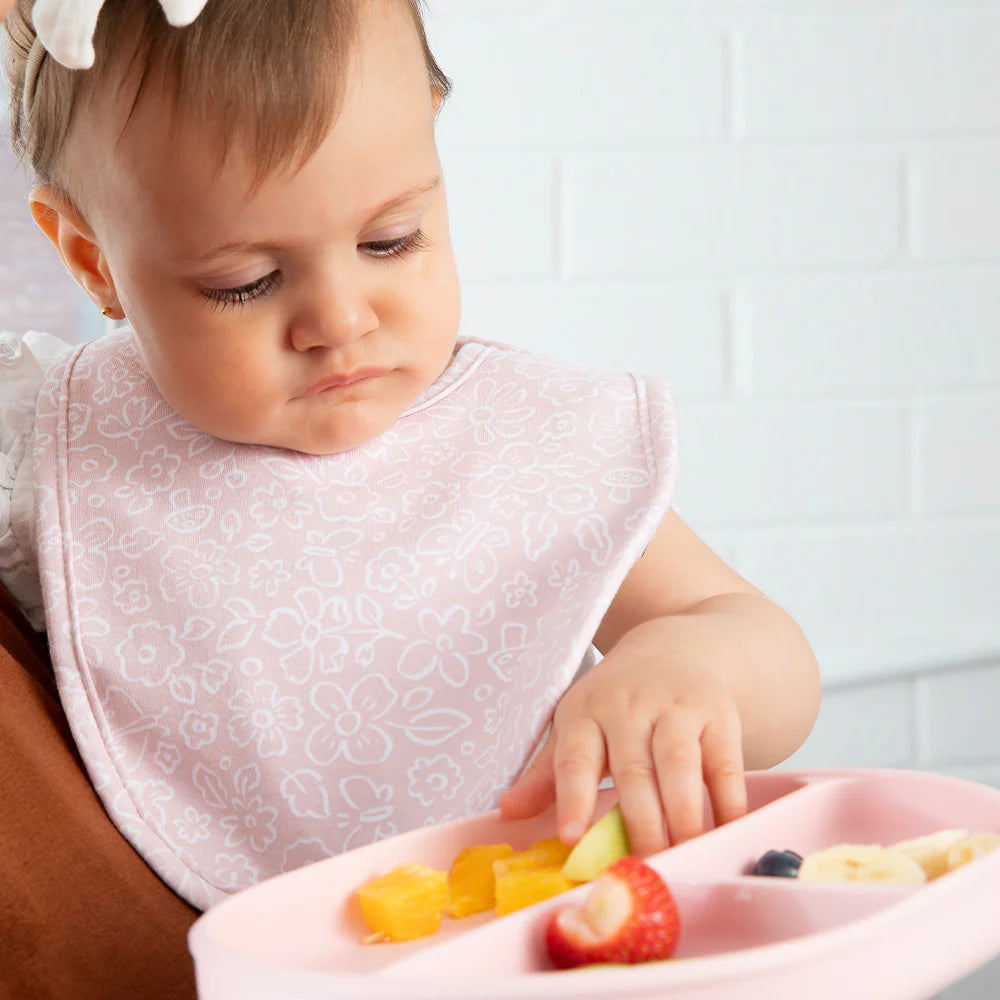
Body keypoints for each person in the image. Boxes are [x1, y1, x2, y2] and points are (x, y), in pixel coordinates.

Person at [2, 0, 821, 914]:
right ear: (92, 261)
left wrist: (690, 663)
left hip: (532, 929)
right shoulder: (56, 446)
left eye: (389, 240)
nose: (341, 320)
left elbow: (770, 653)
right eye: (247, 283)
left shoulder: (530, 441)